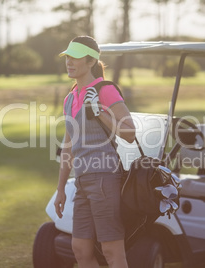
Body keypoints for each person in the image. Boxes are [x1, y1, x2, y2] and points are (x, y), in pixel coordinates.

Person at [54, 36, 135, 268]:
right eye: (68, 57)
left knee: (111, 249)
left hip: (105, 178)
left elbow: (130, 132)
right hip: (81, 181)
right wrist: (60, 189)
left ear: (91, 61)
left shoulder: (105, 90)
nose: (69, 62)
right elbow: (68, 146)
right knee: (80, 249)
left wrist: (101, 113)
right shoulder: (70, 99)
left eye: (75, 57)